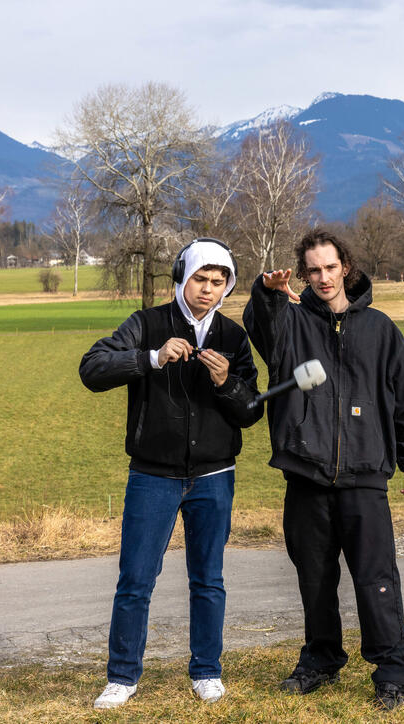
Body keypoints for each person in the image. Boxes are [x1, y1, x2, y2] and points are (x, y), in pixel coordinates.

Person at [242, 228, 404, 711]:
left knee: (376, 577)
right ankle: (320, 660)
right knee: (315, 576)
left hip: (365, 475)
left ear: (345, 267)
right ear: (302, 274)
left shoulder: (381, 329)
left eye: (330, 267)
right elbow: (261, 329)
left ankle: (392, 671)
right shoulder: (292, 323)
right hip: (306, 474)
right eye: (313, 270)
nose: (323, 278)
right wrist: (266, 295)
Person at [79, 238, 261, 709]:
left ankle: (206, 671)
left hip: (215, 474)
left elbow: (250, 412)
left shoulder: (233, 337)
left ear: (228, 287)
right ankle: (122, 676)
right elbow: (92, 368)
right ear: (182, 276)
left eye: (219, 283)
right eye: (200, 279)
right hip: (152, 475)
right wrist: (152, 358)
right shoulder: (147, 324)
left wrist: (226, 383)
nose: (208, 290)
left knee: (208, 579)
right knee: (136, 579)